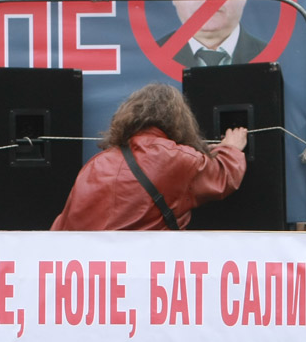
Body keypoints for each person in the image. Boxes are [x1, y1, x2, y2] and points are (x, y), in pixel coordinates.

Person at [51, 83, 247, 231]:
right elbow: (223, 176)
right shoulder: (174, 158)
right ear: (178, 120)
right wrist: (231, 148)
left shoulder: (96, 164)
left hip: (92, 279)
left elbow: (62, 227)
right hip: (145, 277)